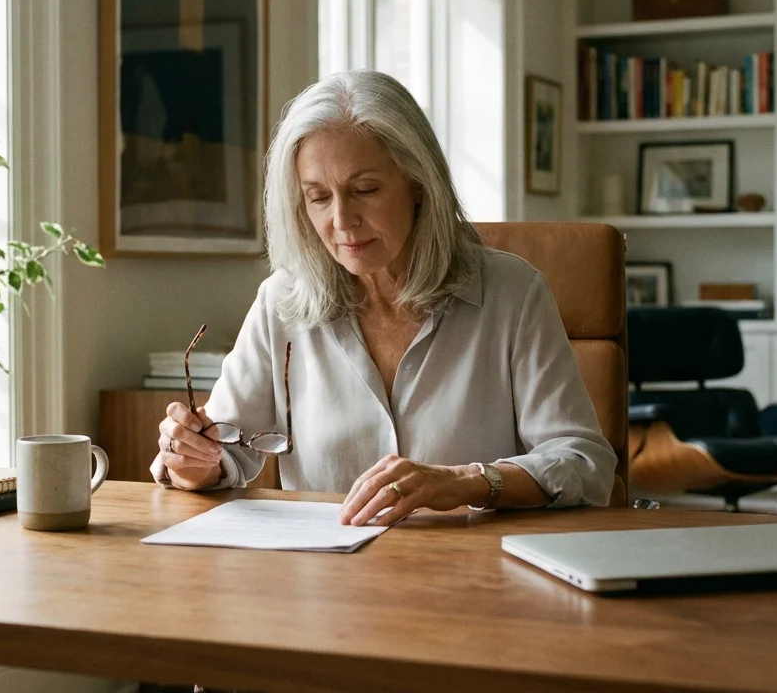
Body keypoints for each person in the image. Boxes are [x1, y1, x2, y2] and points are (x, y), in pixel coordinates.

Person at [152, 70, 616, 525]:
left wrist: (468, 481)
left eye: (365, 190)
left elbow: (584, 463)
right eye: (318, 197)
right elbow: (222, 453)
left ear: (418, 183)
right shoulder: (282, 300)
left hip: (474, 579)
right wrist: (192, 462)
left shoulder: (512, 293)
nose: (342, 220)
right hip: (327, 582)